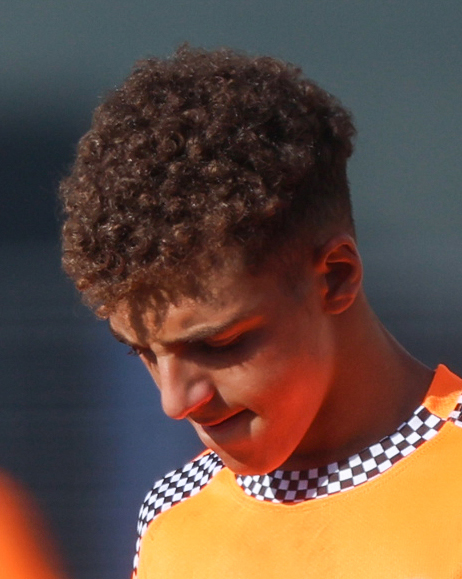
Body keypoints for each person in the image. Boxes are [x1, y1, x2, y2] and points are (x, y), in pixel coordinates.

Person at [59, 45, 462, 578]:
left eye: (218, 344)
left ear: (335, 277)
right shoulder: (172, 515)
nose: (175, 402)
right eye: (146, 354)